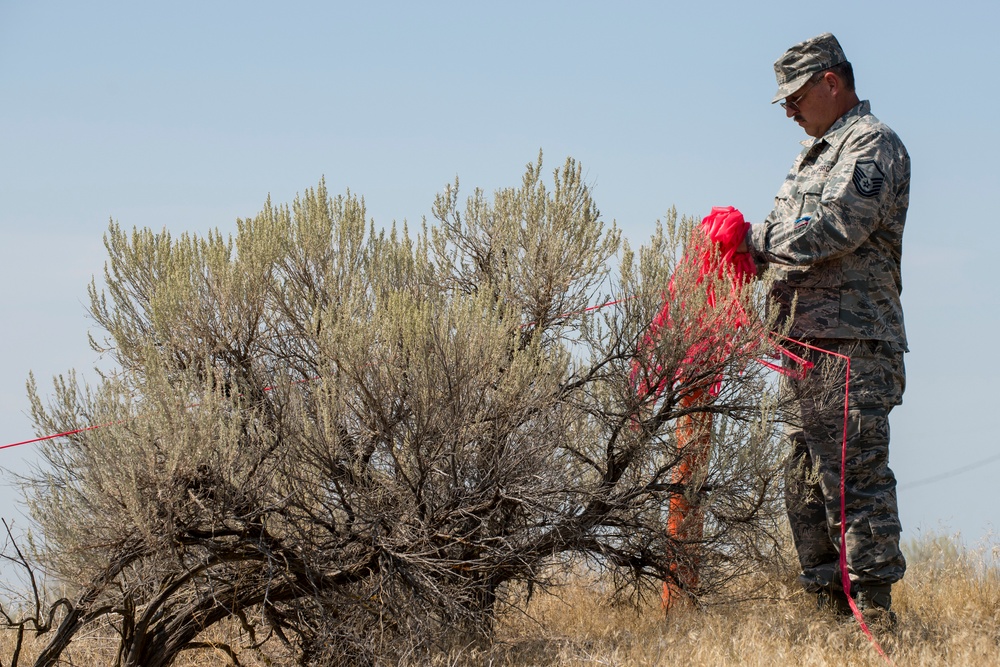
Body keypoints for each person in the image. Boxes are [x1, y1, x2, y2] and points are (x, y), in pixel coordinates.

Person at [739, 33, 910, 625]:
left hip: (852, 352)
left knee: (854, 486)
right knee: (803, 486)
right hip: (805, 352)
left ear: (830, 82)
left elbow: (836, 227)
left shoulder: (873, 145)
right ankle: (826, 616)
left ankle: (874, 618)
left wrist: (754, 241)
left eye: (795, 95)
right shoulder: (812, 155)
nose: (788, 110)